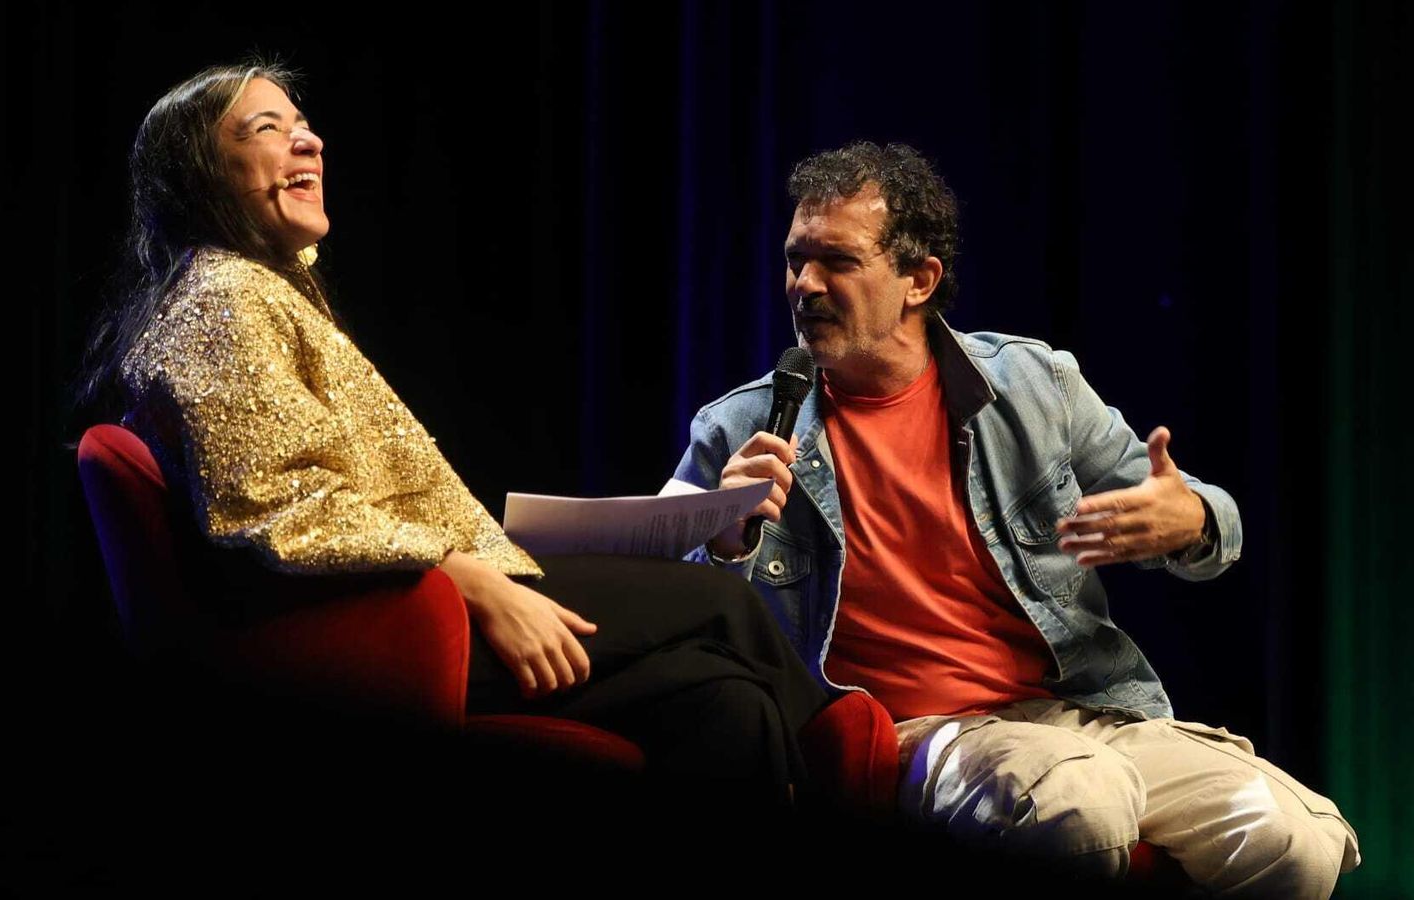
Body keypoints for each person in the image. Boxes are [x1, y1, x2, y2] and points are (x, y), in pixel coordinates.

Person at [73, 61, 829, 804]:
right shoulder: (222, 297)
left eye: (304, 126)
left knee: (723, 703)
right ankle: (856, 758)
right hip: (382, 632)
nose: (310, 144)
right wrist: (476, 584)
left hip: (413, 598)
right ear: (202, 173)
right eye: (268, 129)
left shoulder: (256, 291)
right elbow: (286, 504)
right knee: (718, 602)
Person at [670, 140, 1361, 894]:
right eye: (795, 259)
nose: (804, 284)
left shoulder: (1034, 386)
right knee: (1078, 800)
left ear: (918, 280)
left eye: (836, 260)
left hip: (1078, 711)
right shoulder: (740, 427)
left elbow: (1211, 521)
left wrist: (1189, 517)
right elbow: (661, 611)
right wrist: (724, 540)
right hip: (916, 730)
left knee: (1300, 841)